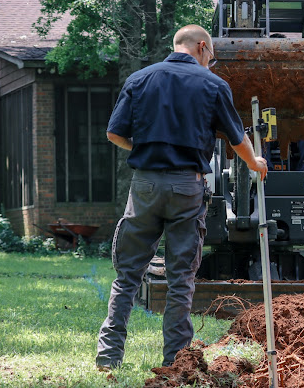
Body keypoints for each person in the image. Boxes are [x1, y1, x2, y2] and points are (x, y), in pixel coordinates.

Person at [96, 24, 268, 371]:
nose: (212, 64)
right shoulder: (212, 84)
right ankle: (175, 362)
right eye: (212, 58)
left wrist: (144, 149)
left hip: (144, 185)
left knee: (128, 275)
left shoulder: (139, 79)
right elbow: (236, 139)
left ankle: (108, 357)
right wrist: (255, 163)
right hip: (186, 188)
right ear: (202, 47)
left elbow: (114, 133)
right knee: (180, 279)